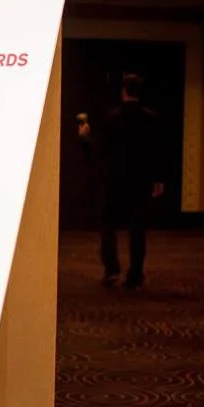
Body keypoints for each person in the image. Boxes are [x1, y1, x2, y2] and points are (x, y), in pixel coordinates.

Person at [79, 73, 164, 289]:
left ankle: (112, 270)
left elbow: (100, 150)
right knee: (138, 229)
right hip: (140, 179)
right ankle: (135, 275)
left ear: (123, 91)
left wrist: (85, 137)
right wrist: (158, 179)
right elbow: (157, 151)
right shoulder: (151, 118)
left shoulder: (112, 118)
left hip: (115, 179)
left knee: (108, 225)